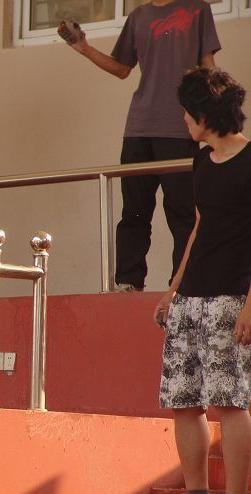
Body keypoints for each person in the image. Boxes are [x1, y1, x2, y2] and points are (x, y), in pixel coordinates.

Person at [144, 67, 251, 494]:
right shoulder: (202, 160)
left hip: (232, 297)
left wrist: (250, 306)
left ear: (205, 115)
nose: (184, 121)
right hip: (191, 298)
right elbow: (200, 227)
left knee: (231, 401)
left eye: (188, 114)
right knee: (184, 402)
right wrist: (173, 288)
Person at [59, 1, 220, 292]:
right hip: (139, 128)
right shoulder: (138, 17)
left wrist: (215, 114)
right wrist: (82, 47)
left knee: (183, 211)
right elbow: (122, 68)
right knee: (134, 210)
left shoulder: (197, 9)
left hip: (180, 127)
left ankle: (183, 285)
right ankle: (129, 282)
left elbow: (208, 65)